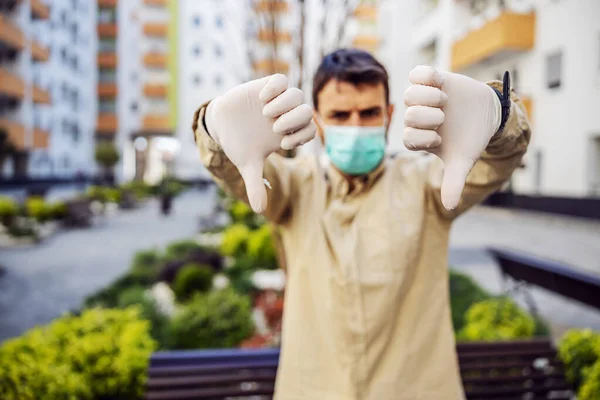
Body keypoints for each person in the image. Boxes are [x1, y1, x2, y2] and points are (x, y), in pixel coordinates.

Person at [193, 49, 530, 400]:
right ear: (318, 121)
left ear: (389, 115)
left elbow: (498, 162)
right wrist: (213, 126)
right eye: (339, 114)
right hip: (311, 389)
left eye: (368, 113)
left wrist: (498, 115)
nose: (355, 125)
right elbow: (235, 167)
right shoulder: (292, 188)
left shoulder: (429, 184)